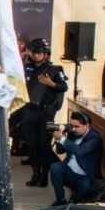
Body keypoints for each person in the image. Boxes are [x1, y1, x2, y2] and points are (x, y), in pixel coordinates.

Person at [22, 38, 68, 187]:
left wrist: (51, 83)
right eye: (33, 52)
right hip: (30, 111)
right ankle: (35, 174)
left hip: (46, 113)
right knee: (32, 145)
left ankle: (43, 177)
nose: (36, 55)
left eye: (39, 52)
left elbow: (64, 87)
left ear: (46, 53)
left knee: (44, 145)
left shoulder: (54, 69)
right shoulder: (26, 68)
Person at [49, 112, 103, 206]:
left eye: (77, 126)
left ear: (86, 126)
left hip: (85, 176)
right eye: (71, 126)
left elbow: (80, 151)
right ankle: (60, 200)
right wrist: (61, 137)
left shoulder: (94, 138)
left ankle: (72, 202)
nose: (73, 129)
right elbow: (59, 151)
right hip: (69, 171)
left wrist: (62, 139)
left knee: (75, 201)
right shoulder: (73, 133)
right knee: (55, 167)